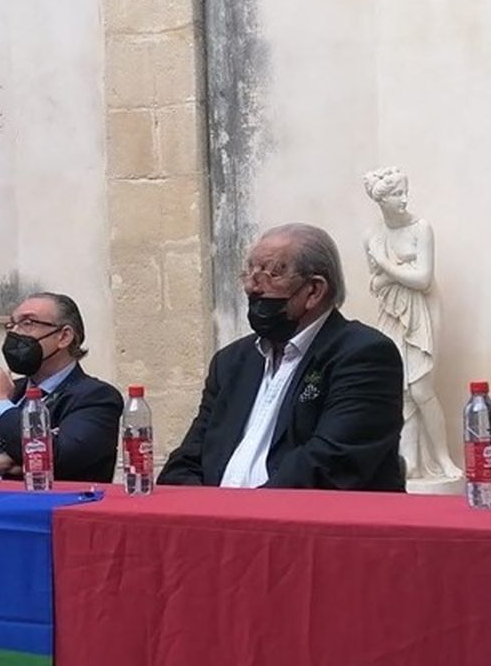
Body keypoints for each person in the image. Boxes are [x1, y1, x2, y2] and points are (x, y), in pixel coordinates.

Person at [159, 223, 404, 490]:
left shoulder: (363, 355)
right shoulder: (231, 362)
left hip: (304, 525)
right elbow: (186, 460)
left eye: (269, 274)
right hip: (218, 522)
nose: (253, 288)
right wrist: (203, 513)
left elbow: (330, 464)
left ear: (314, 290)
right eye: (249, 273)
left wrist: (244, 515)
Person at [0, 293, 124, 483]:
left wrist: (0, 406)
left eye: (28, 323)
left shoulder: (96, 397)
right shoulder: (11, 391)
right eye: (12, 324)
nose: (15, 333)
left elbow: (58, 459)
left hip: (53, 510)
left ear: (64, 336)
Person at [363, 167, 461, 483]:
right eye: (395, 195)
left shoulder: (422, 228)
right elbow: (375, 284)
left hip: (421, 311)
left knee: (421, 388)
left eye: (404, 192)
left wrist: (387, 265)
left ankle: (443, 459)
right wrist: (390, 271)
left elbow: (422, 279)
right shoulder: (372, 236)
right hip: (391, 313)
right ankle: (411, 462)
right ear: (381, 200)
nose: (403, 200)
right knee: (398, 389)